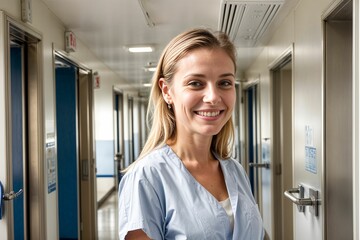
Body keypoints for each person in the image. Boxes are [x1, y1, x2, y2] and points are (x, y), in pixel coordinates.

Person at [118, 28, 264, 240]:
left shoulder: (234, 170)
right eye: (196, 83)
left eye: (224, 83)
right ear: (167, 91)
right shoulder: (146, 178)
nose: (213, 97)